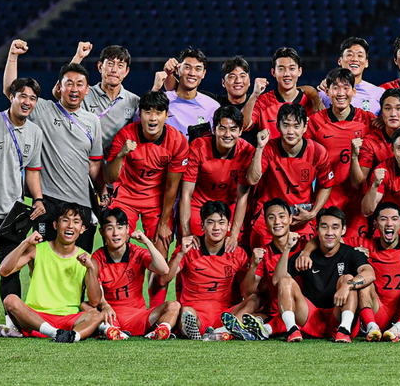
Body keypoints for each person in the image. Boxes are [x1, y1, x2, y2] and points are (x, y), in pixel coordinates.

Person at [4, 39, 108, 252]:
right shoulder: (43, 111)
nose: (74, 89)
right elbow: (10, 91)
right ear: (59, 87)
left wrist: (103, 193)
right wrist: (13, 56)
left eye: (80, 84)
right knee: (41, 262)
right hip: (47, 204)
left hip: (81, 205)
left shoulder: (92, 121)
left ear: (87, 90)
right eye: (68, 84)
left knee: (79, 266)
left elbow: (95, 165)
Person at [105, 90, 189, 307]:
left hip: (157, 202)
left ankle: (154, 311)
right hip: (126, 198)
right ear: (139, 113)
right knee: (115, 247)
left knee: (160, 258)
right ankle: (116, 307)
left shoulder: (177, 141)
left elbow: (172, 186)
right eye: (148, 112)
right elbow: (109, 176)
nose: (153, 118)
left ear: (167, 115)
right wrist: (122, 154)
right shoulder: (125, 135)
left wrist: (164, 223)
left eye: (159, 112)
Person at [0, 202, 105, 342]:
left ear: (82, 229)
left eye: (76, 221)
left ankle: (72, 336)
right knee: (10, 300)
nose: (70, 225)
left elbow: (95, 301)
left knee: (96, 315)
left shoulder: (87, 259)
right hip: (36, 317)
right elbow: (4, 271)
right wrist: (25, 242)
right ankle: (54, 332)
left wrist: (90, 268)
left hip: (68, 318)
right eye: (65, 220)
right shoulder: (37, 250)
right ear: (55, 225)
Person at [0, 77, 44, 328]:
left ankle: (13, 323)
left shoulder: (35, 132)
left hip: (14, 213)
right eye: (23, 96)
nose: (27, 102)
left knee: (10, 269)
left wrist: (38, 199)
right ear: (11, 97)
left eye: (32, 98)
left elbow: (32, 170)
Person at [273, 207, 375, 343]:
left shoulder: (351, 253)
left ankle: (344, 330)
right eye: (324, 227)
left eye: (335, 227)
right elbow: (277, 281)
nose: (329, 233)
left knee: (348, 279)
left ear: (343, 230)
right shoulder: (305, 256)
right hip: (311, 318)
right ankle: (291, 330)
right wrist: (287, 248)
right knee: (285, 280)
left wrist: (348, 286)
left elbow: (370, 273)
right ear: (316, 230)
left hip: (338, 315)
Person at [340, 202, 400, 342]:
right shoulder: (364, 244)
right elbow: (330, 241)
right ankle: (371, 327)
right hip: (379, 314)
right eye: (384, 219)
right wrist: (354, 255)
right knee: (365, 281)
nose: (389, 223)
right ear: (375, 223)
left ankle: (399, 328)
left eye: (394, 219)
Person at [246, 103, 334, 248]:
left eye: (296, 126)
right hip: (268, 217)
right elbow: (251, 179)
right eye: (286, 125)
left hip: (301, 216)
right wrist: (260, 148)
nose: (291, 131)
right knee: (263, 259)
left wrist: (313, 213)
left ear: (305, 127)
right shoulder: (268, 148)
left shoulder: (318, 152)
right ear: (278, 126)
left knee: (306, 259)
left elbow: (326, 185)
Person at [159, 201, 250, 339]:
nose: (216, 227)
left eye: (221, 222)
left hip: (226, 314)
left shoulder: (237, 253)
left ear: (229, 226)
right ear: (202, 225)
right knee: (186, 312)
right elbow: (163, 280)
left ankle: (223, 328)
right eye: (210, 222)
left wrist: (254, 266)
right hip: (195, 312)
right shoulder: (189, 249)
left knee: (255, 300)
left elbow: (247, 291)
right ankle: (200, 331)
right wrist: (181, 254)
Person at [92, 208, 180, 340]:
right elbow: (98, 295)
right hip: (111, 316)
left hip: (139, 317)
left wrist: (147, 242)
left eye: (120, 227)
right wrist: (105, 306)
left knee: (174, 305)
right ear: (102, 232)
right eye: (110, 228)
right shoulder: (97, 258)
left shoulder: (137, 252)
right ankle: (109, 330)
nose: (116, 233)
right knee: (86, 306)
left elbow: (164, 270)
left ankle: (162, 330)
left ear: (127, 229)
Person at [307, 68, 375, 238]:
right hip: (324, 203)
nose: (340, 93)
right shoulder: (315, 122)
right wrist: (314, 95)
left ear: (354, 91)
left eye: (346, 88)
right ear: (327, 91)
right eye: (335, 88)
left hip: (357, 206)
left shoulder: (369, 120)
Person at [179, 105, 253, 250]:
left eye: (233, 129)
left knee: (231, 248)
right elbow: (186, 193)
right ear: (214, 129)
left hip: (228, 204)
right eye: (222, 128)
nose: (227, 134)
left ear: (240, 131)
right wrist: (186, 233)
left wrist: (234, 234)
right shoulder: (198, 147)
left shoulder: (247, 151)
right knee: (193, 247)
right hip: (198, 204)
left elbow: (242, 196)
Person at [55, 42, 139, 156]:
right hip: (81, 160)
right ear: (100, 67)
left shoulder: (134, 101)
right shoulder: (85, 93)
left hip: (111, 166)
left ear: (126, 72)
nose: (114, 70)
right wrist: (78, 57)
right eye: (110, 63)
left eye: (120, 65)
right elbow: (58, 92)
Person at [239, 198, 305, 340]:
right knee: (250, 310)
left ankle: (265, 329)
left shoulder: (305, 246)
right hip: (275, 313)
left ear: (290, 218)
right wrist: (254, 265)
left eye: (281, 216)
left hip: (303, 312)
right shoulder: (263, 252)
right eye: (271, 217)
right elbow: (248, 291)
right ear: (266, 222)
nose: (277, 222)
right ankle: (226, 330)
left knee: (285, 282)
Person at [242, 47, 315, 140]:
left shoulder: (311, 102)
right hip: (269, 154)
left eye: (292, 68)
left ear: (299, 71)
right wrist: (254, 95)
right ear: (273, 72)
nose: (286, 74)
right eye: (281, 69)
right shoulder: (262, 102)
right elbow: (242, 125)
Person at [161, 48, 220, 140]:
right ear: (177, 70)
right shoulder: (162, 101)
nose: (192, 73)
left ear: (203, 74)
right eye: (187, 67)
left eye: (198, 69)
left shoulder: (213, 107)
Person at [317, 37, 385, 115]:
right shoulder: (324, 92)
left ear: (366, 63)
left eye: (360, 55)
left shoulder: (379, 93)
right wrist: (312, 93)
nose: (355, 59)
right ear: (340, 61)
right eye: (349, 54)